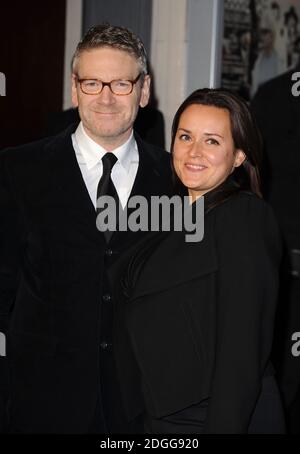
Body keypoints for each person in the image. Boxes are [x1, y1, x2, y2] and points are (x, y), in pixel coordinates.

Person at [0, 23, 173, 433]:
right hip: (40, 402)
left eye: (121, 83)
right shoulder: (16, 170)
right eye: (93, 83)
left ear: (144, 91)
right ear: (75, 89)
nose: (107, 98)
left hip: (144, 409)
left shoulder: (177, 179)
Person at [109, 88, 286, 433]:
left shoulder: (245, 217)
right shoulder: (170, 214)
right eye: (185, 136)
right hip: (158, 412)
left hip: (208, 416)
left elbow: (242, 352)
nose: (193, 152)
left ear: (238, 156)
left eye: (212, 141)